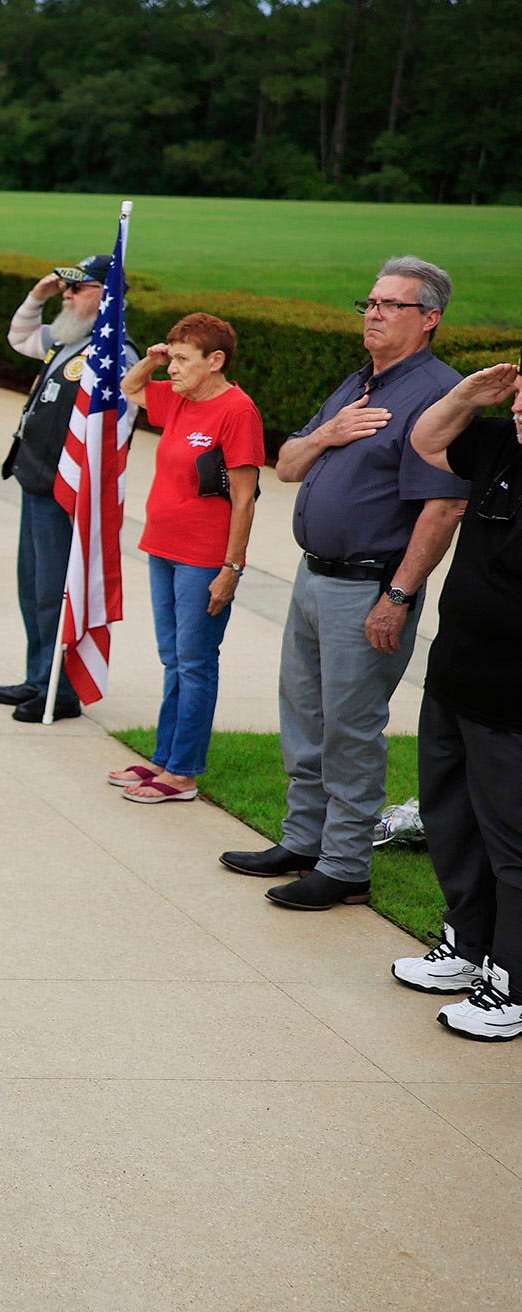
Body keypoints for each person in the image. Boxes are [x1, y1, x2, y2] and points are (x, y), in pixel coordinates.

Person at [218, 256, 468, 912]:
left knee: (348, 730)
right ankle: (303, 841)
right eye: (370, 303)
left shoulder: (438, 396)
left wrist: (399, 595)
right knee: (302, 720)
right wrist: (328, 432)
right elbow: (287, 463)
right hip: (311, 578)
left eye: (392, 305)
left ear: (429, 319)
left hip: (368, 588)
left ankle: (345, 864)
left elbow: (442, 507)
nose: (374, 313)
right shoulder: (359, 383)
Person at [395, 361, 522, 1038]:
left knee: (511, 841)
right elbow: (426, 440)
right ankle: (465, 947)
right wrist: (466, 394)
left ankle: (511, 984)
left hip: (511, 698)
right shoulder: (498, 442)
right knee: (449, 817)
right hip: (453, 677)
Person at [110, 314, 264, 803]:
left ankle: (183, 774)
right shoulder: (178, 399)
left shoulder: (237, 412)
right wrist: (154, 358)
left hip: (203, 559)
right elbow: (130, 388)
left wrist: (231, 569)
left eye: (182, 359)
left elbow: (245, 497)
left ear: (215, 361)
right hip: (164, 548)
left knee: (195, 663)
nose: (172, 369)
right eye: (171, 358)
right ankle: (164, 759)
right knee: (173, 659)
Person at [0, 257, 108, 721]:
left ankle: (60, 688)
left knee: (55, 589)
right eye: (66, 289)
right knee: (33, 586)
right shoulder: (69, 338)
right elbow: (20, 338)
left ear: (106, 294)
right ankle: (39, 676)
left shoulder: (113, 349)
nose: (68, 295)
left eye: (79, 289)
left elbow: (119, 419)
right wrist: (36, 296)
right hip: (37, 480)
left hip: (66, 490)